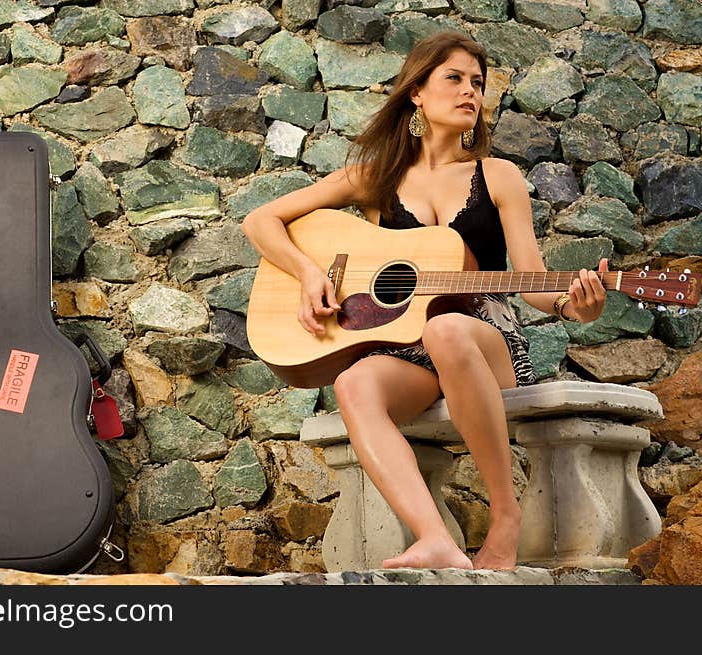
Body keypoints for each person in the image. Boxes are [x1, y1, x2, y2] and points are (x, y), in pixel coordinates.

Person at [240, 31, 608, 570]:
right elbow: (261, 220)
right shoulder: (375, 177)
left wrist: (577, 307)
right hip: (408, 348)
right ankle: (433, 536)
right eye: (454, 78)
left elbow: (533, 280)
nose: (470, 93)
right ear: (417, 92)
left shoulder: (498, 176)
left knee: (448, 330)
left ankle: (505, 518)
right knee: (353, 381)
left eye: (477, 83)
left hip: (485, 341)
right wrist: (309, 273)